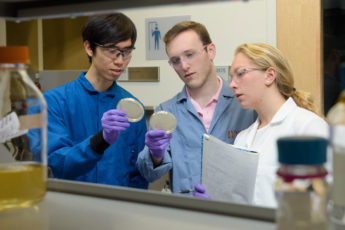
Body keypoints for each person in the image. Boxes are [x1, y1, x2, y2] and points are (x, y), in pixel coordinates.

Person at [136, 21, 256, 197]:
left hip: (236, 216)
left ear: (210, 51)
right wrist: (155, 154)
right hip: (189, 215)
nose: (184, 66)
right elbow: (148, 174)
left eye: (190, 55)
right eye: (176, 61)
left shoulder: (245, 104)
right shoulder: (167, 112)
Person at [28, 13, 148, 189]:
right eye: (111, 51)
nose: (120, 61)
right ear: (89, 48)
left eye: (126, 51)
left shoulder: (132, 106)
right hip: (70, 209)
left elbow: (138, 175)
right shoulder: (52, 103)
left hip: (119, 210)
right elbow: (56, 164)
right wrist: (100, 140)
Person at [229, 43, 329, 208]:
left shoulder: (308, 128)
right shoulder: (242, 138)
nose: (232, 84)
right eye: (231, 77)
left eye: (240, 73)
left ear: (269, 75)